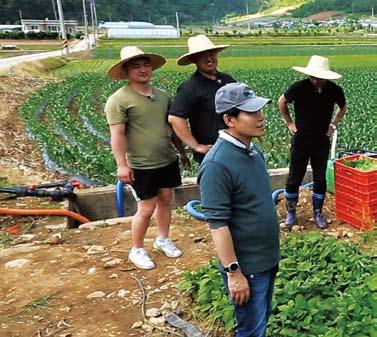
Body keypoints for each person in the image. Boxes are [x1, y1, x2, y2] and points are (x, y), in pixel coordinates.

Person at [198, 82, 280, 337]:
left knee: (261, 321)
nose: (260, 117)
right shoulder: (217, 164)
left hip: (266, 258)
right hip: (248, 267)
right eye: (251, 112)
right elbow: (218, 225)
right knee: (251, 329)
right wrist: (234, 273)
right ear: (229, 119)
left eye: (260, 110)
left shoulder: (253, 152)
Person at [105, 46, 190, 270]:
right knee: (146, 207)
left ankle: (162, 239)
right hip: (141, 163)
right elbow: (117, 134)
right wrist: (122, 165)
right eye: (136, 66)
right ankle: (137, 249)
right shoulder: (119, 100)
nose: (143, 70)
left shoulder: (162, 96)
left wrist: (181, 153)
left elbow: (171, 128)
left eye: (146, 64)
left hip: (166, 159)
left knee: (165, 201)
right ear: (126, 71)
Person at [278, 55, 347, 229]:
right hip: (301, 139)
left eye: (320, 77)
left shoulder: (334, 90)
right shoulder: (299, 87)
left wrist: (333, 124)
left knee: (320, 178)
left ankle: (318, 212)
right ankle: (292, 213)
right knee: (294, 177)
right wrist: (289, 122)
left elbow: (343, 107)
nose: (316, 80)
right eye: (314, 76)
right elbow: (282, 101)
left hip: (321, 140)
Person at [168, 34, 236, 164]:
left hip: (234, 147)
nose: (209, 58)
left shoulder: (228, 80)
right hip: (212, 153)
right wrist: (196, 146)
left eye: (212, 53)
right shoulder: (190, 87)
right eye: (203, 55)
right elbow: (175, 118)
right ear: (194, 60)